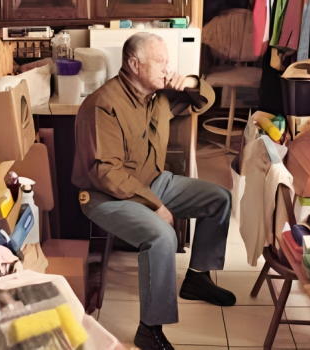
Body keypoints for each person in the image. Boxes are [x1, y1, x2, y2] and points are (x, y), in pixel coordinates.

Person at [72, 32, 235, 350]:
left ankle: (197, 277)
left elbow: (205, 100)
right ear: (134, 64)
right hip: (105, 196)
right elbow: (105, 173)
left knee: (219, 198)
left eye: (167, 62)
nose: (166, 68)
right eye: (160, 62)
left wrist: (188, 80)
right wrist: (154, 205)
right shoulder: (102, 105)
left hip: (153, 181)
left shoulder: (159, 94)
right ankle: (149, 330)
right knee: (162, 235)